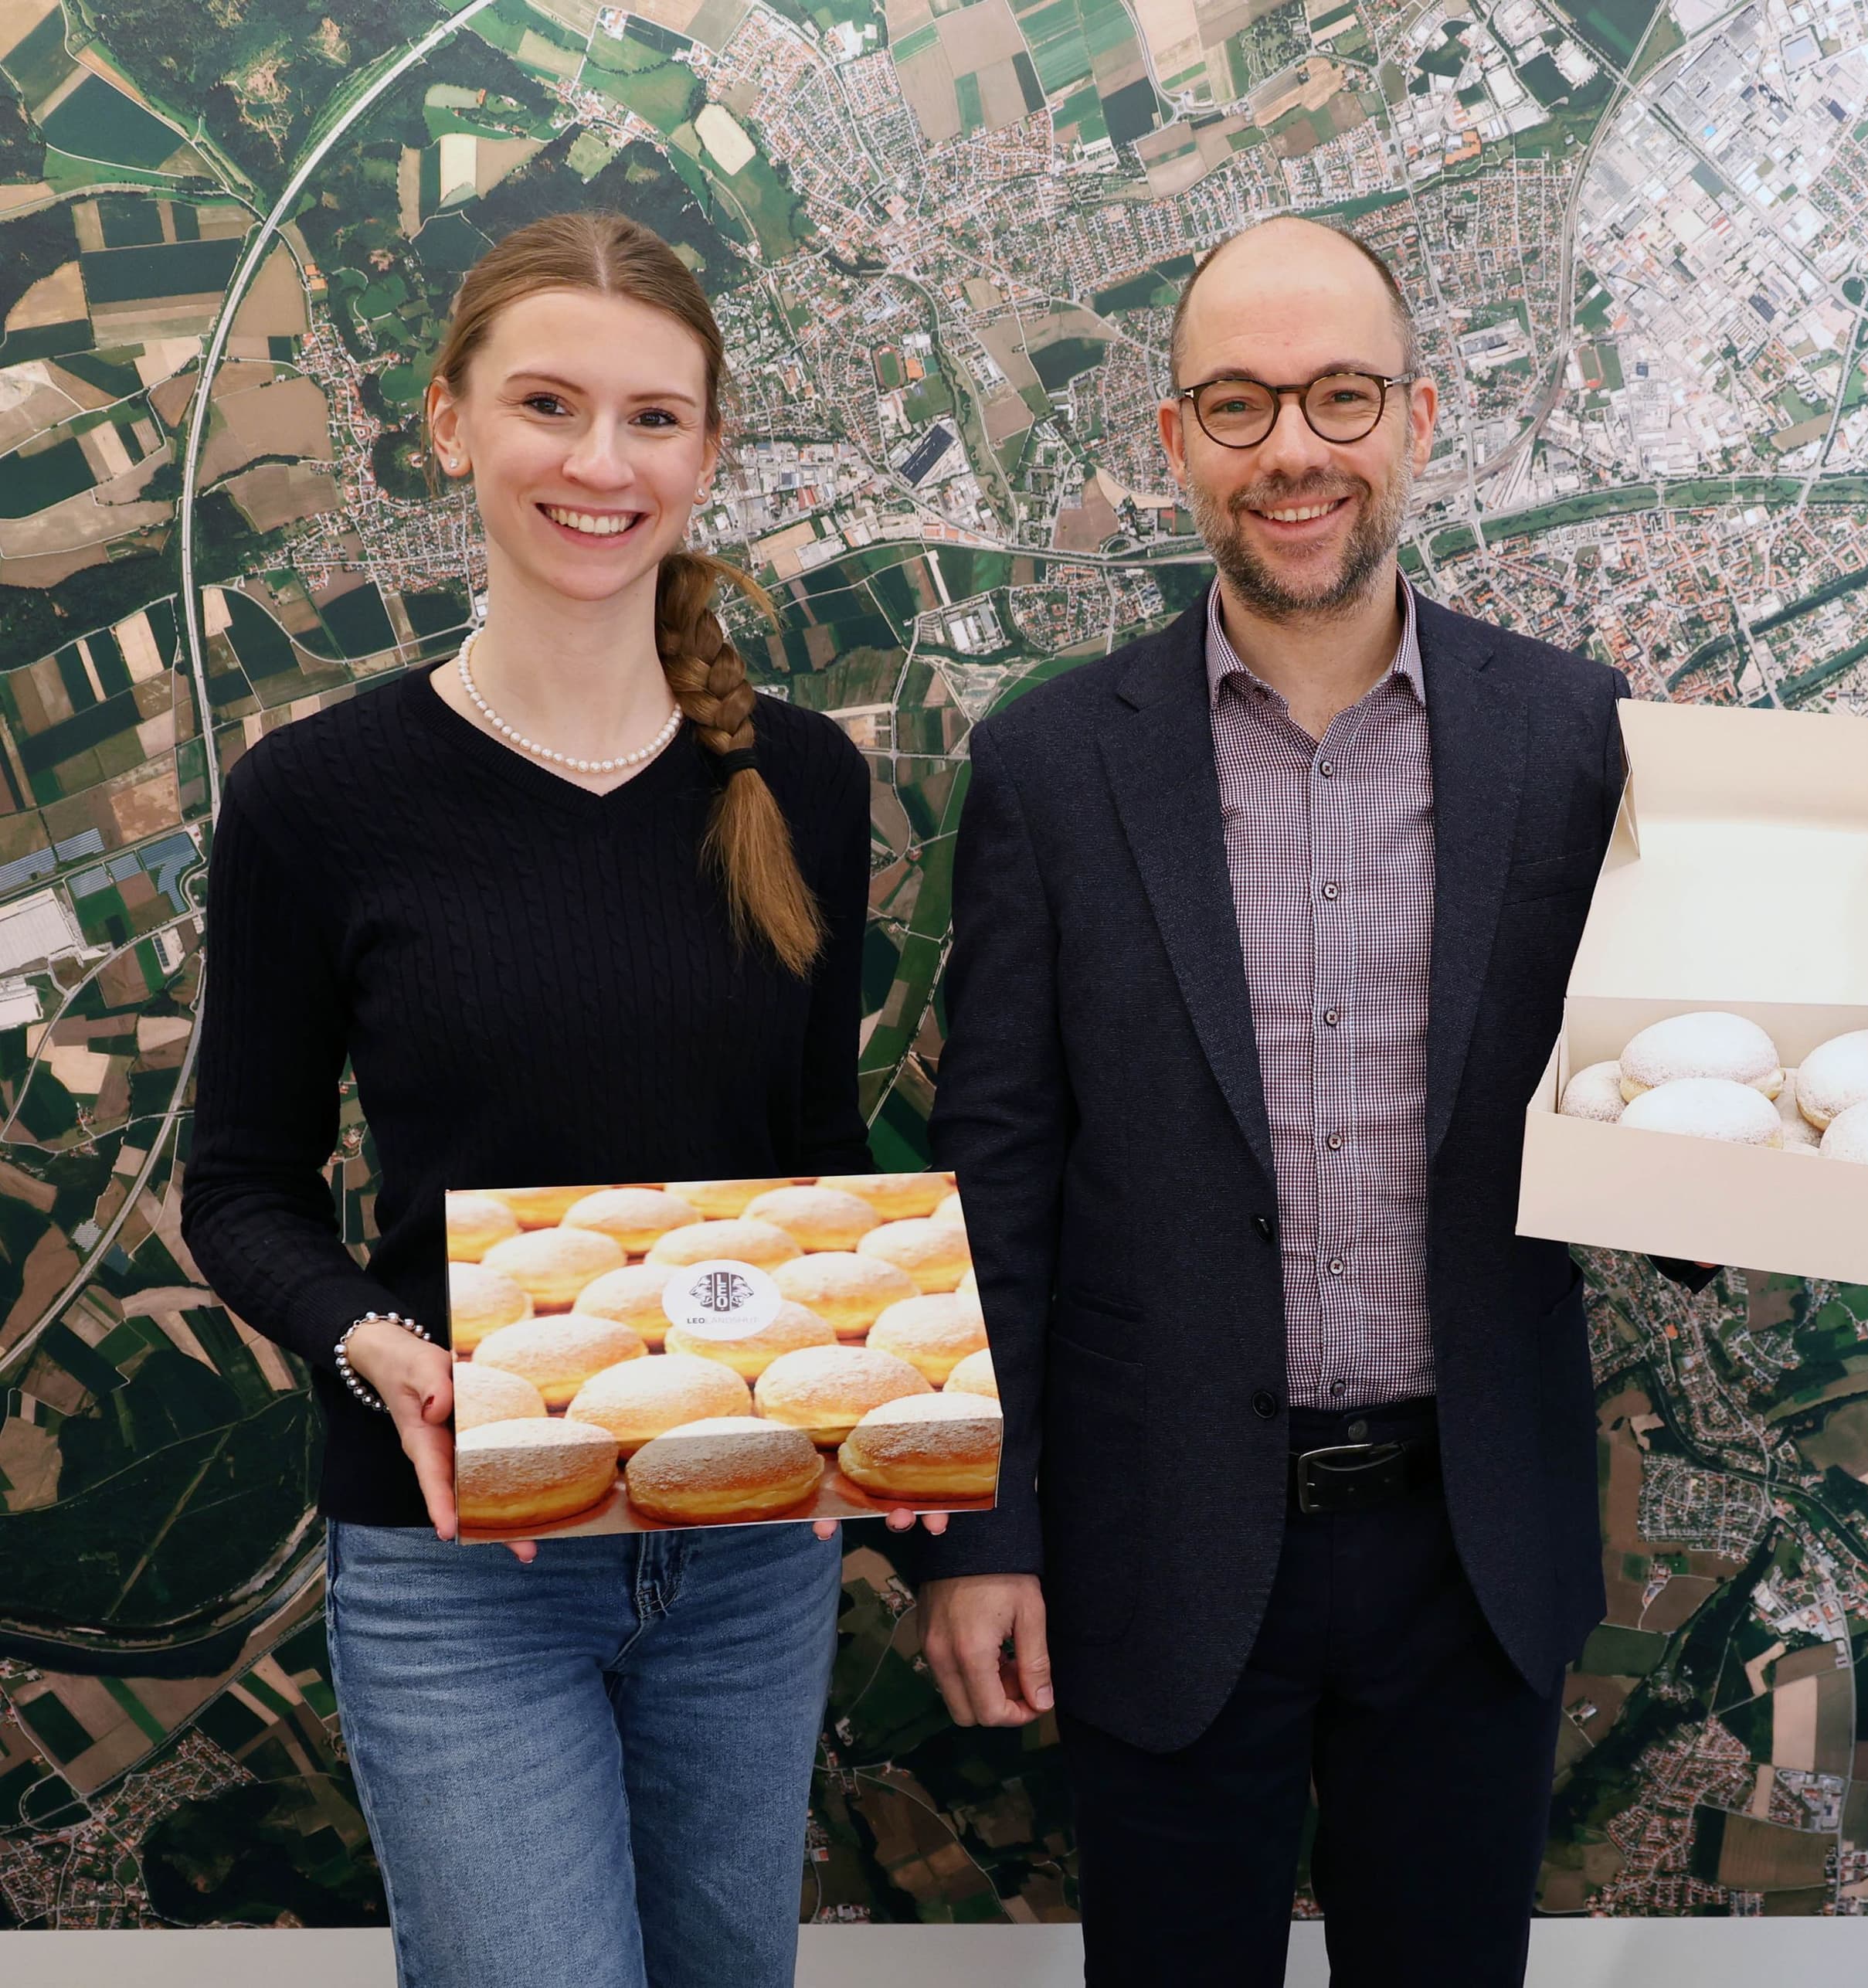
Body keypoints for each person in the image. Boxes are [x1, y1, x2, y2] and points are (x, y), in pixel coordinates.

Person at [898, 215, 1639, 1986]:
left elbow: (1650, 1091)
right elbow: (994, 1166)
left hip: (1475, 1548)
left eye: (1340, 397)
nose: (1292, 449)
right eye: (1237, 405)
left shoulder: (1577, 735)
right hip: (1152, 1549)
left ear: (1421, 420)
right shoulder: (1054, 763)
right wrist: (978, 1526)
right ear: (1173, 442)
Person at [185, 211, 876, 1988]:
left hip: (746, 1553)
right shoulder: (313, 800)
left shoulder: (799, 778)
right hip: (453, 1556)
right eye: (549, 405)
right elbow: (242, 1187)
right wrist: (380, 1348)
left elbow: (815, 1156)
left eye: (655, 419)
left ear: (709, 453)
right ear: (447, 423)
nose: (599, 462)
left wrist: (874, 1387)